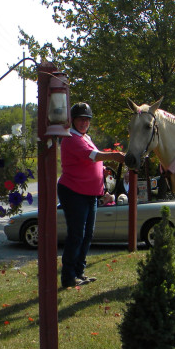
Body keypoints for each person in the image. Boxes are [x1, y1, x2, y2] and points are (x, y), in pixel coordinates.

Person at [58, 102, 125, 288]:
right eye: (80, 120)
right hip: (74, 192)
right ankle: (68, 276)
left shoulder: (85, 137)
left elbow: (91, 160)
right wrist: (114, 156)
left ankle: (79, 272)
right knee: (77, 234)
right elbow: (91, 155)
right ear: (73, 121)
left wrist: (102, 170)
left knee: (87, 235)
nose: (84, 123)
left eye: (87, 120)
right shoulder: (71, 137)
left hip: (89, 193)